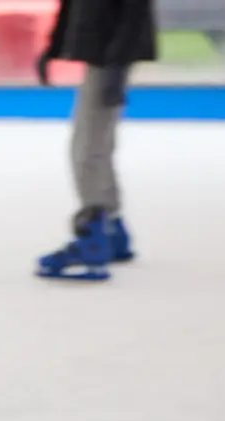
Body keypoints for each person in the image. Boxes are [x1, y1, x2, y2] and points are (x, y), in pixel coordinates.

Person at [33, 0, 157, 281]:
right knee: (96, 144)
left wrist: (117, 62)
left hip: (110, 56)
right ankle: (112, 228)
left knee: (87, 149)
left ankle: (94, 236)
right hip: (104, 55)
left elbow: (135, 11)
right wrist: (53, 47)